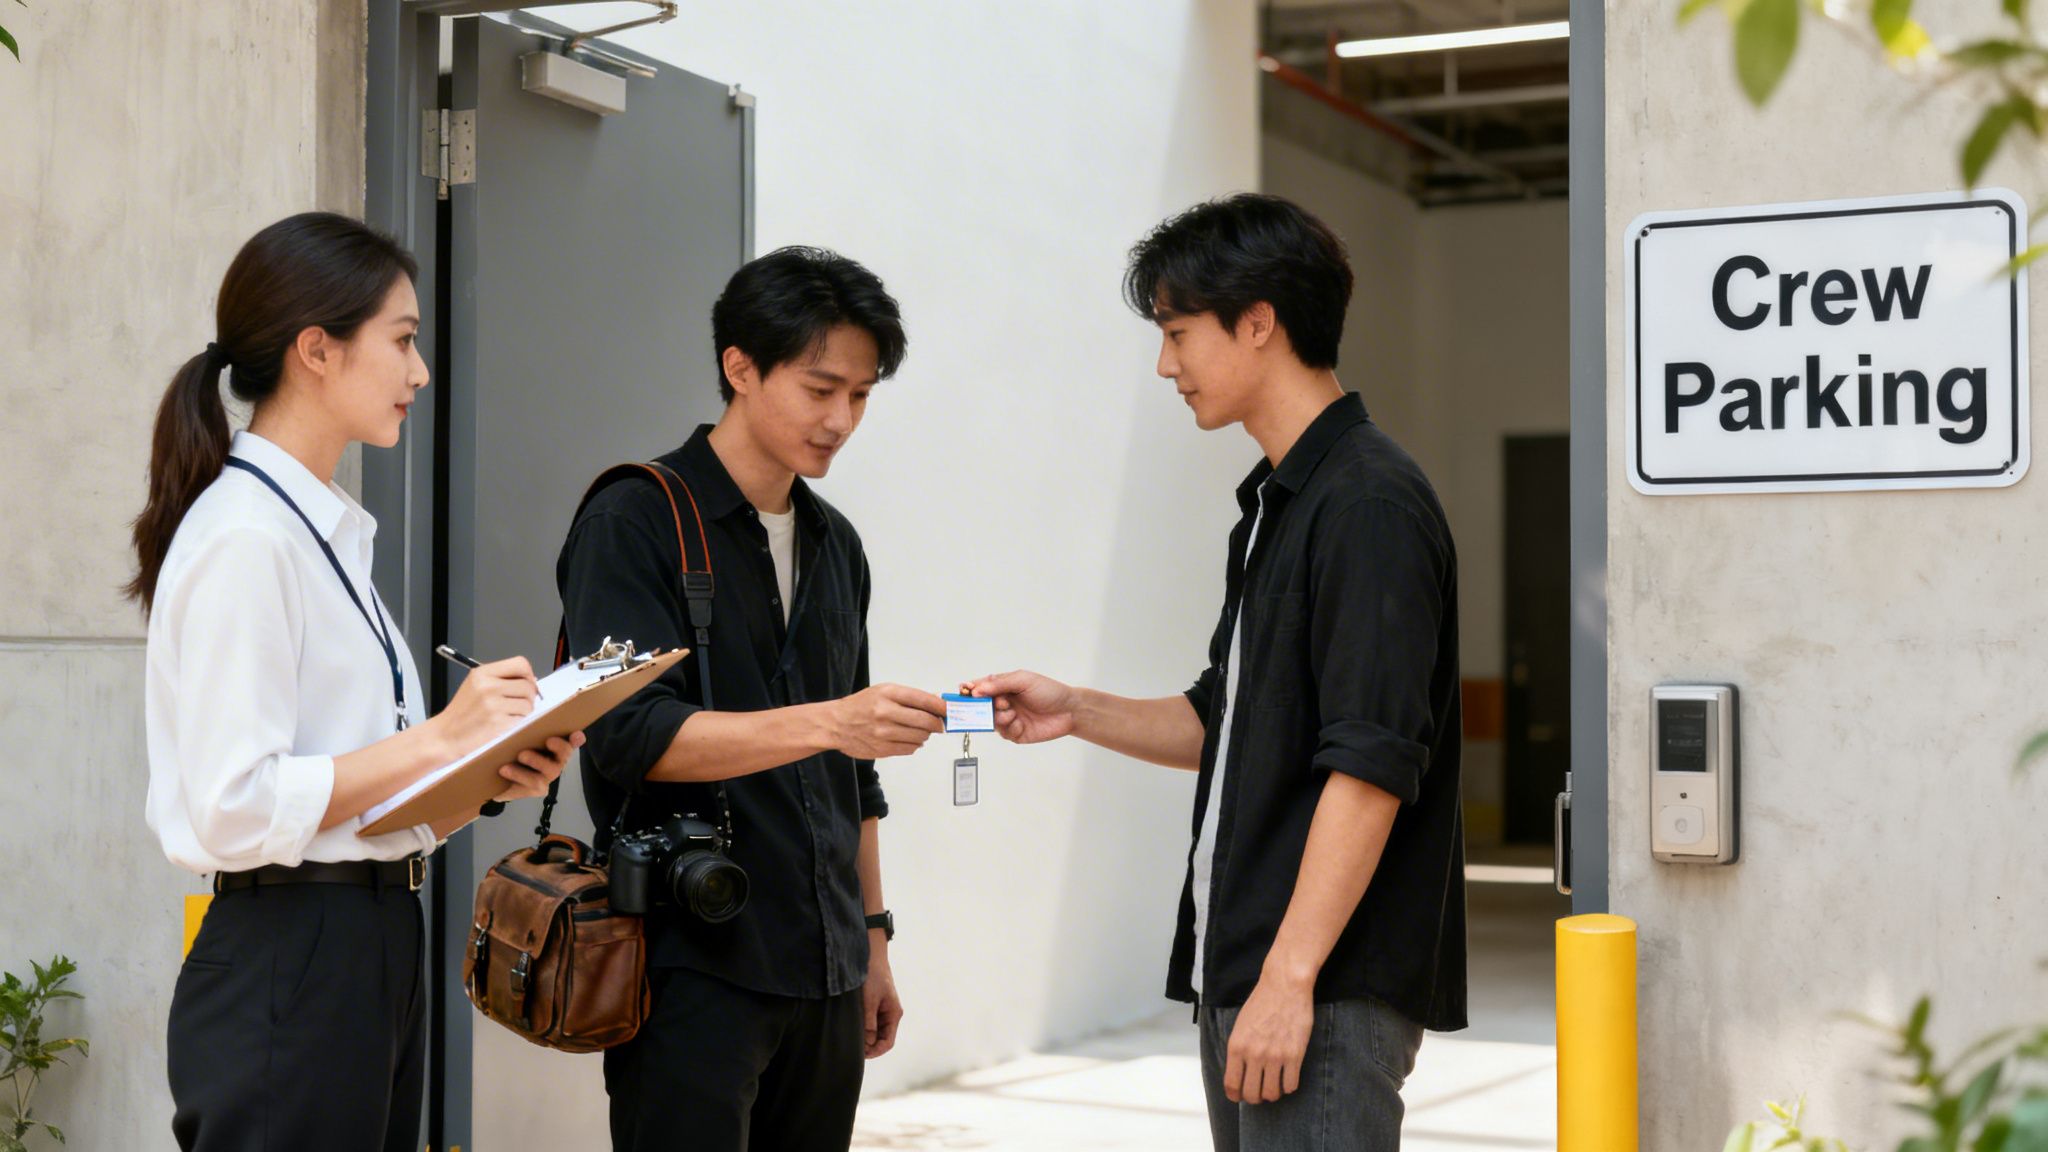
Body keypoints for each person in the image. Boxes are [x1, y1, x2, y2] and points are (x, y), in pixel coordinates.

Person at [967, 193, 1467, 1152]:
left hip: (1321, 990)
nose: (1166, 364)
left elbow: (1370, 765)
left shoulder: (1367, 506)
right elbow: (1225, 721)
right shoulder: (1281, 506)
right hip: (1250, 972)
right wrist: (1075, 708)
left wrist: (1289, 977)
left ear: (1259, 323)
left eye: (1177, 331)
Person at [131, 212, 580, 1152]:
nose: (420, 372)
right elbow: (232, 806)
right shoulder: (248, 538)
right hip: (293, 956)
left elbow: (352, 799)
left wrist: (485, 775)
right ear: (316, 350)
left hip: (369, 942)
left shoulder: (315, 530)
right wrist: (444, 737)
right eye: (404, 340)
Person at [556, 246, 946, 1152]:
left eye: (860, 395)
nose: (841, 419)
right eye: (820, 389)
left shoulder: (835, 543)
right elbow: (628, 737)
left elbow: (860, 782)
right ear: (739, 367)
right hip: (695, 968)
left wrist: (875, 941)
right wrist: (833, 722)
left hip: (825, 964)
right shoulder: (635, 518)